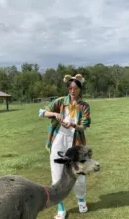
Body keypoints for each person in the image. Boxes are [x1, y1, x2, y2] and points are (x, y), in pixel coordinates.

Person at [39, 74, 91, 219]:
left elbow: (84, 126)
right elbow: (41, 112)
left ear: (79, 89)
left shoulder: (84, 105)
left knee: (79, 172)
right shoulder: (61, 101)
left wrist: (73, 124)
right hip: (58, 141)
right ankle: (60, 206)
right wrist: (55, 114)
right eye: (70, 88)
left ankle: (81, 199)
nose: (72, 90)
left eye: (75, 88)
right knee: (57, 173)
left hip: (76, 144)